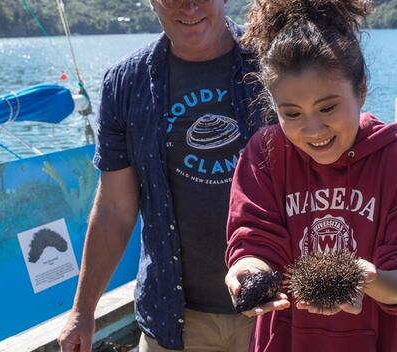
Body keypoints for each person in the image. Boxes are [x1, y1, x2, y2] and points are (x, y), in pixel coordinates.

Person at [222, 0, 397, 351]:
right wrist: (248, 270)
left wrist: (370, 279)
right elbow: (254, 241)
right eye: (291, 113)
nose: (313, 129)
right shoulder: (264, 155)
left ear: (361, 90)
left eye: (328, 107)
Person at [57, 0, 265, 350]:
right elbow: (114, 209)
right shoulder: (125, 83)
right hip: (174, 319)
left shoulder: (275, 63)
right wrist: (82, 310)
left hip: (273, 307)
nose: (188, 6)